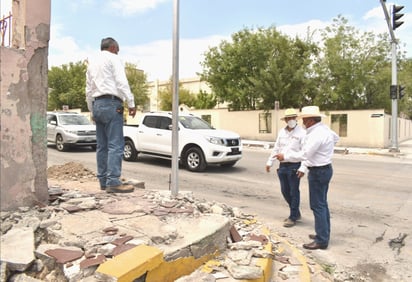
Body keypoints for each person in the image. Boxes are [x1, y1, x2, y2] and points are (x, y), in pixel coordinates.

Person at [275, 106, 339, 250]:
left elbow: (304, 154)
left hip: (319, 171)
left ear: (310, 120)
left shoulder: (316, 134)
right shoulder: (324, 129)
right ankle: (322, 234)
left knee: (318, 206)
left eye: (304, 119)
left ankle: (322, 240)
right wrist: (325, 152)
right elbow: (336, 138)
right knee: (322, 204)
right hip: (324, 168)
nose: (302, 122)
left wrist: (285, 156)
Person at [86, 37, 136, 193]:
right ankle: (113, 182)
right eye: (118, 49)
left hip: (97, 104)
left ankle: (103, 181)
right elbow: (121, 81)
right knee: (115, 144)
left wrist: (92, 110)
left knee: (102, 146)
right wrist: (131, 103)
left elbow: (88, 89)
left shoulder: (92, 63)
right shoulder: (114, 59)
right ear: (113, 48)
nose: (118, 52)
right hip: (111, 104)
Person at [266, 108, 306, 227]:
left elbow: (305, 153)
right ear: (285, 120)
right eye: (289, 118)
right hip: (282, 165)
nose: (291, 120)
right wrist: (270, 162)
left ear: (296, 119)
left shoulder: (302, 133)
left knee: (294, 191)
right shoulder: (281, 132)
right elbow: (276, 148)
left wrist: (303, 167)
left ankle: (293, 216)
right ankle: (296, 212)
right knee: (285, 191)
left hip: (295, 165)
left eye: (293, 118)